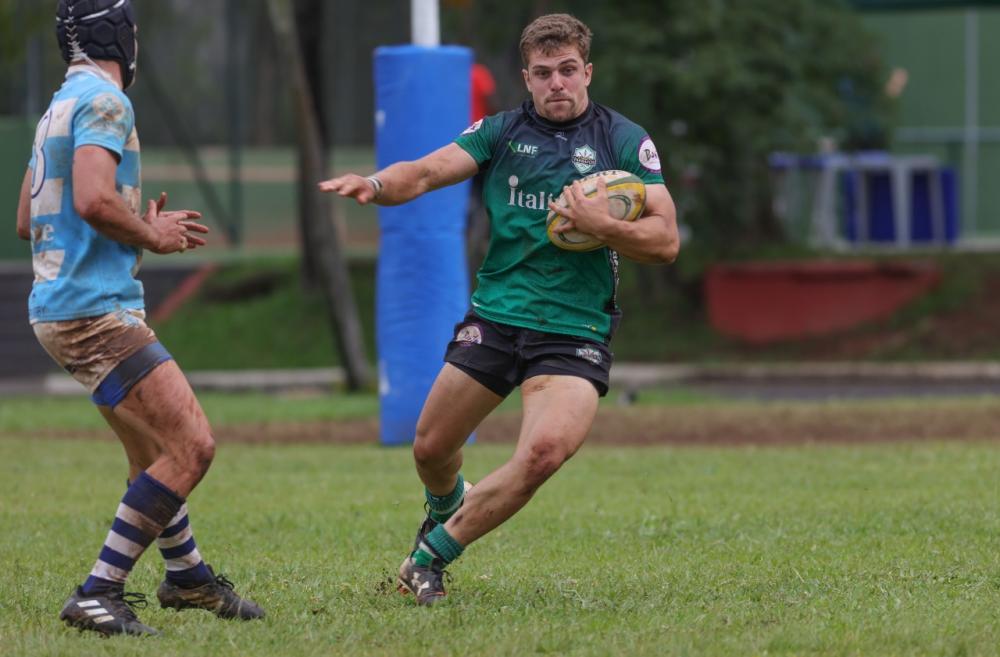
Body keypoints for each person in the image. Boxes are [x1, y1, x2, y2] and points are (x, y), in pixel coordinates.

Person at [319, 13, 679, 605]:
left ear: (588, 72)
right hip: (496, 317)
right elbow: (427, 172)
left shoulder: (621, 139)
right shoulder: (501, 133)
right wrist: (377, 185)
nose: (557, 82)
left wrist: (602, 225)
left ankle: (429, 557)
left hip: (575, 329)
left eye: (568, 70)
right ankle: (446, 507)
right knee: (431, 449)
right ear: (527, 77)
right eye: (544, 72)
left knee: (543, 454)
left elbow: (665, 241)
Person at [15, 0, 263, 636]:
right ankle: (99, 591)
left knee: (151, 451)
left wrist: (130, 222)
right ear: (120, 36)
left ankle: (187, 577)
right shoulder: (107, 101)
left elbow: (26, 220)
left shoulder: (57, 106)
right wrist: (151, 234)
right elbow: (93, 199)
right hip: (94, 310)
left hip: (59, 306)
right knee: (192, 446)